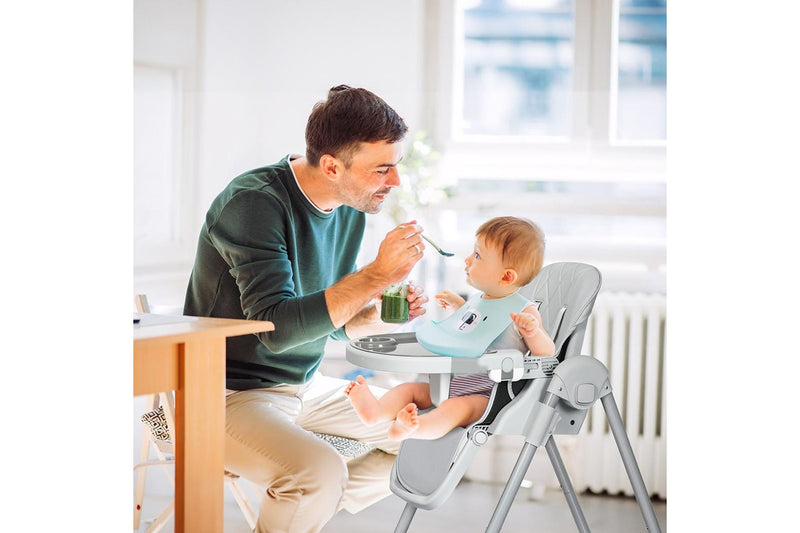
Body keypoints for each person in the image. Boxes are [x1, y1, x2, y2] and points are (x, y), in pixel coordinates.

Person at [183, 85, 430, 533]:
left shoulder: (350, 208)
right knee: (319, 473)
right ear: (333, 166)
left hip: (299, 387)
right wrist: (375, 275)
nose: (394, 182)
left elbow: (330, 327)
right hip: (221, 393)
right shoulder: (254, 203)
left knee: (431, 434)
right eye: (382, 169)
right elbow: (277, 330)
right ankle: (311, 496)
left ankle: (305, 509)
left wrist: (375, 309)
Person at [345, 216, 555, 441]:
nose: (467, 260)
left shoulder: (524, 311)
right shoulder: (480, 300)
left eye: (477, 256)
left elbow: (547, 354)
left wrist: (533, 332)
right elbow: (473, 331)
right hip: (453, 380)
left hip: (488, 394)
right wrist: (459, 308)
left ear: (505, 276)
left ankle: (416, 428)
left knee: (454, 409)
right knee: (410, 390)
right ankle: (375, 412)